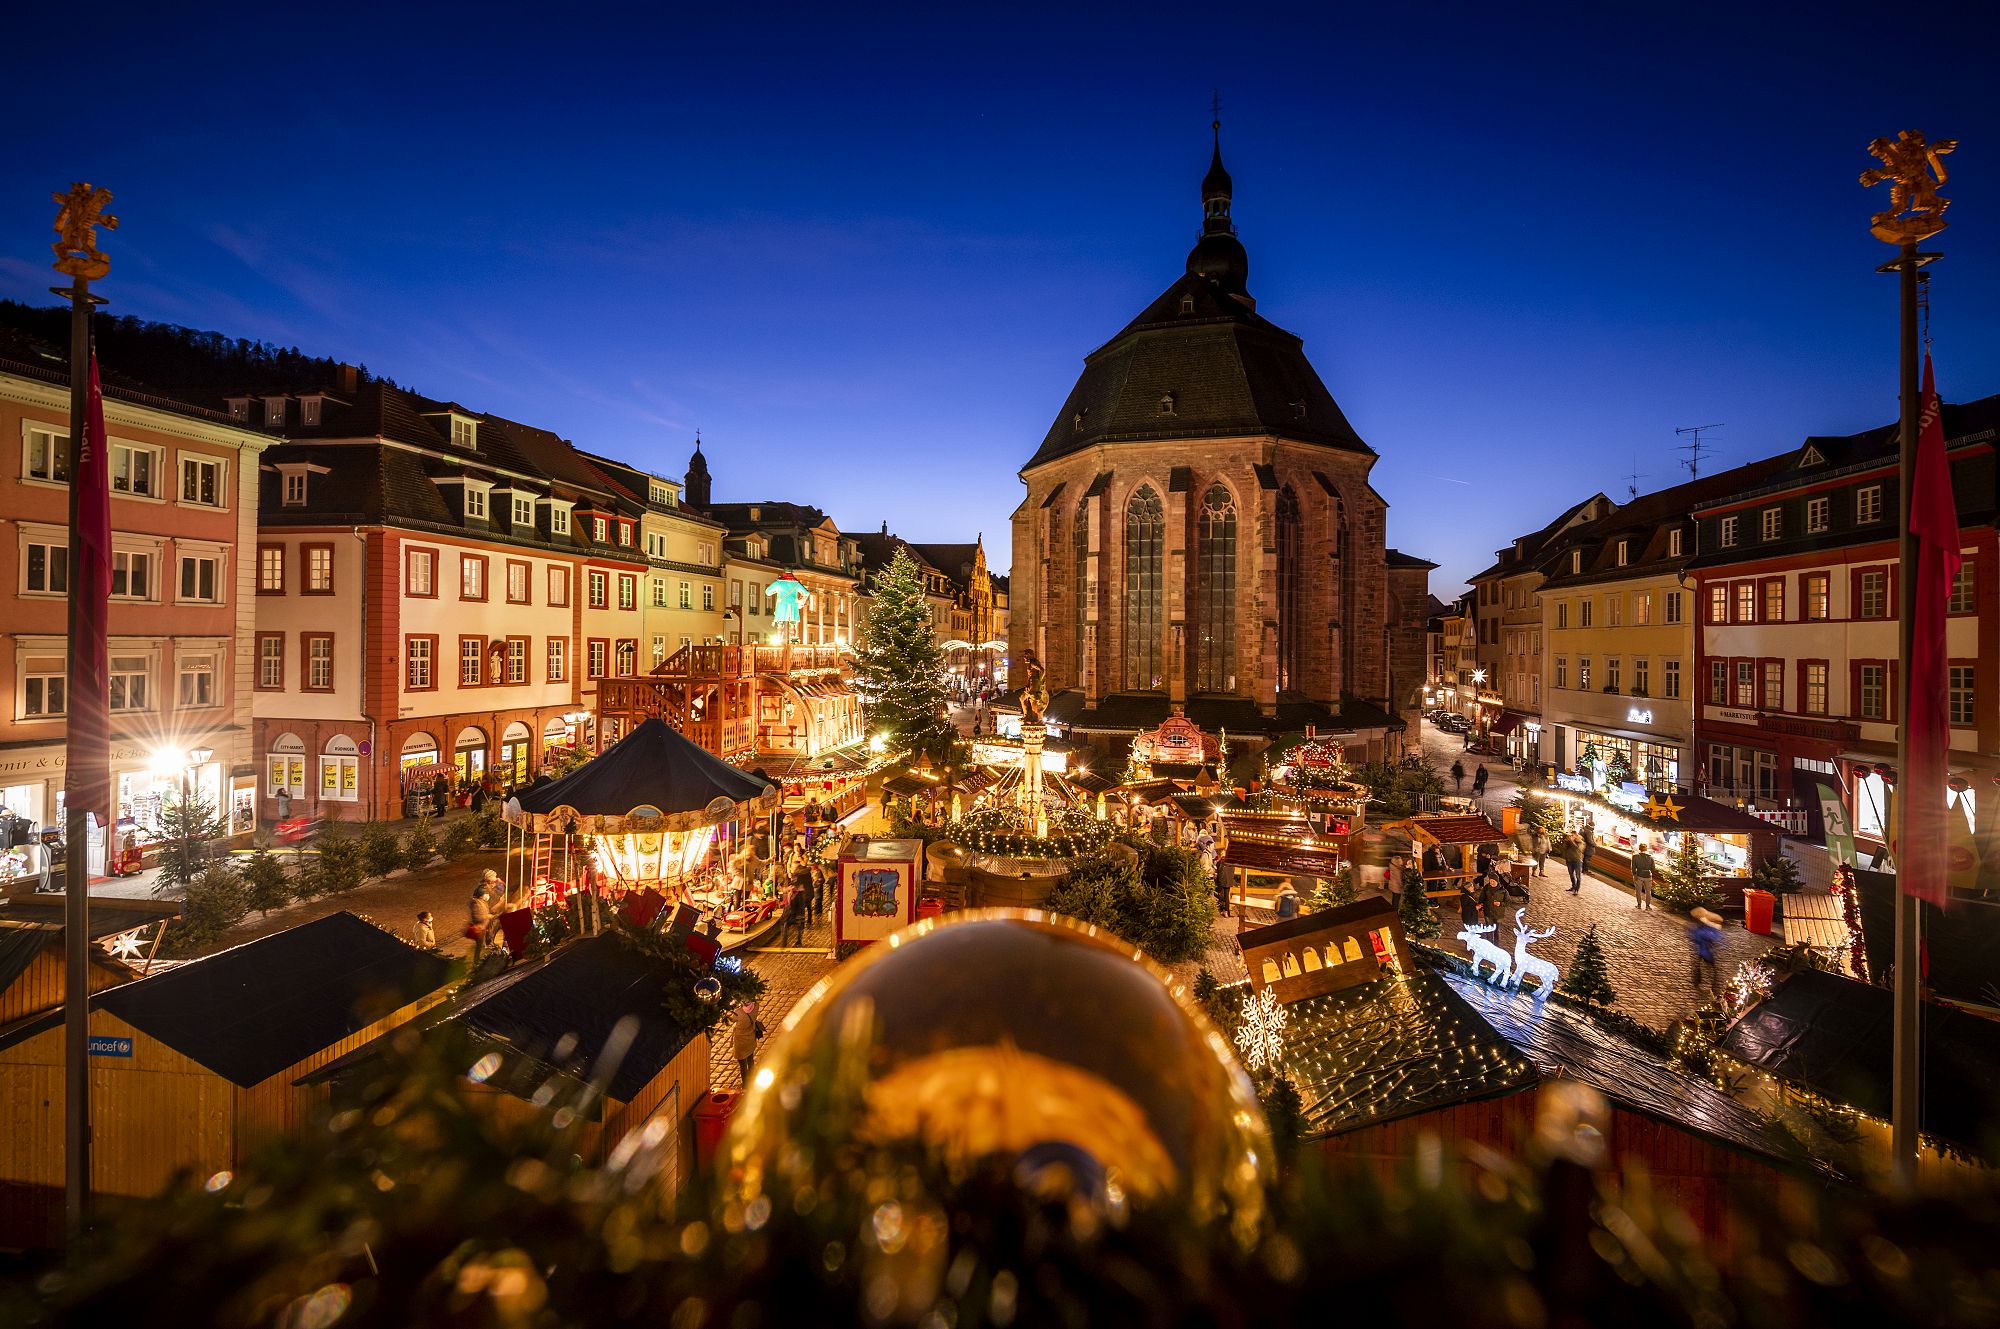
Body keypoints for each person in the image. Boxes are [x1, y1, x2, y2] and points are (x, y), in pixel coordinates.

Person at [1690, 908, 1724, 999]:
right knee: (1710, 968)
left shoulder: (1704, 928)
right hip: (1706, 952)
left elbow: (1697, 937)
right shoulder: (1709, 929)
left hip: (1705, 952)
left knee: (1703, 967)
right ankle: (1712, 985)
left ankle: (1699, 980)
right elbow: (1716, 939)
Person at [731, 1000, 761, 1084]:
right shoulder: (755, 1007)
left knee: (742, 1064)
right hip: (750, 1038)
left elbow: (732, 1019)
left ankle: (745, 1083)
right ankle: (752, 1079)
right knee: (750, 1059)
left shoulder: (738, 1012)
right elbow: (756, 1002)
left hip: (740, 1040)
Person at [465, 884, 493, 962]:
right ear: (481, 896)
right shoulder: (476, 904)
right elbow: (477, 917)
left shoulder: (481, 902)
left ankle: (477, 960)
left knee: (480, 945)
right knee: (479, 946)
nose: (487, 896)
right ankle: (476, 961)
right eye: (485, 894)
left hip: (482, 927)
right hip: (479, 928)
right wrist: (487, 916)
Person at [1630, 844, 1657, 910]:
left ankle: (1639, 905)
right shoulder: (1651, 858)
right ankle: (1647, 906)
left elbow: (1633, 867)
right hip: (1648, 876)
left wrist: (1634, 875)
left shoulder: (1635, 857)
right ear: (1646, 849)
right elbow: (1653, 869)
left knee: (1638, 891)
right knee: (1648, 892)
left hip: (1639, 875)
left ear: (1639, 848)